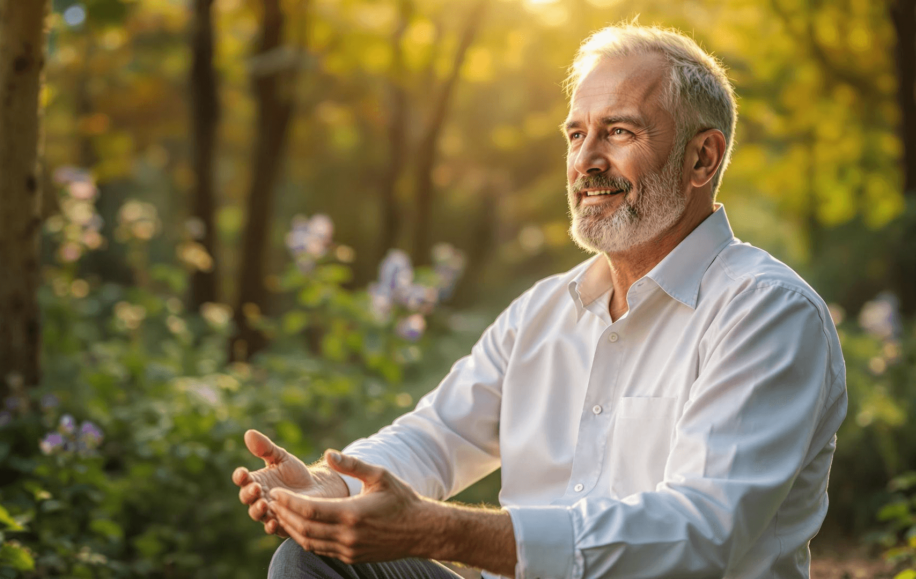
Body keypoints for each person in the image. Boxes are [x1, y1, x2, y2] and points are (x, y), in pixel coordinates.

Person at [233, 23, 847, 579]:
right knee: (309, 558)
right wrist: (328, 485)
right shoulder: (543, 311)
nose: (585, 161)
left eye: (619, 131)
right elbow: (436, 433)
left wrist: (440, 528)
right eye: (577, 134)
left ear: (701, 157)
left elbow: (699, 533)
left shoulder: (767, 312)